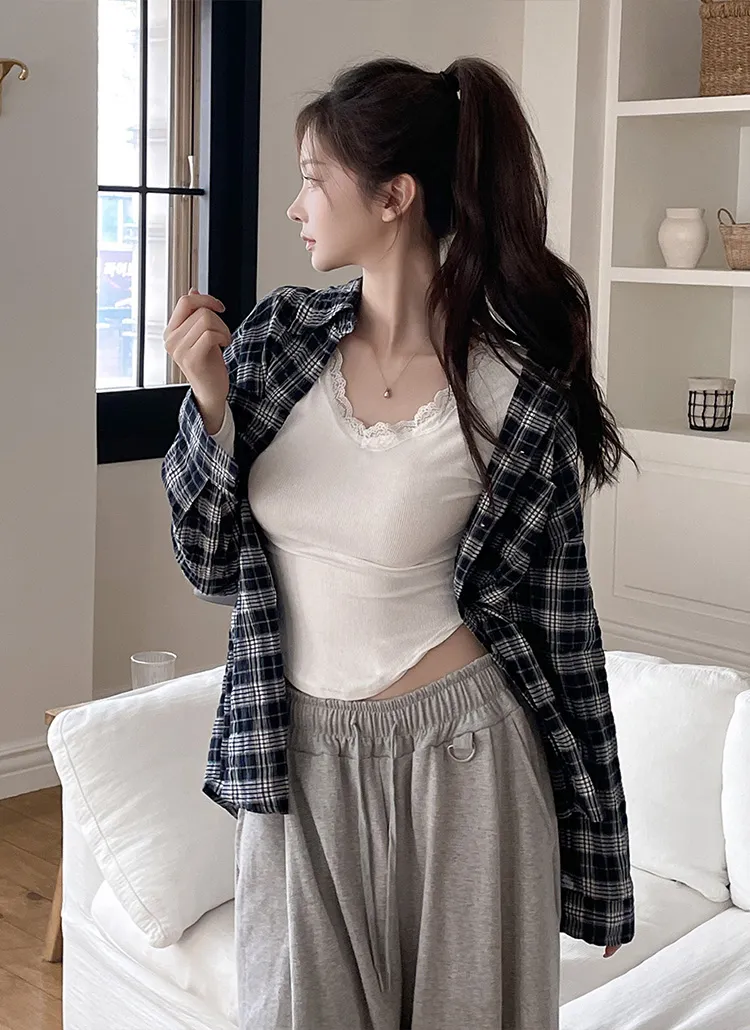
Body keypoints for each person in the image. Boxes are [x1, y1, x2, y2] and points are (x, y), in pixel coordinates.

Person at [162, 55, 638, 1030]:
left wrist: (601, 863)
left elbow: (564, 625)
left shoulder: (513, 389)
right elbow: (208, 560)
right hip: (295, 757)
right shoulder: (278, 343)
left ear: (395, 196)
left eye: (313, 178)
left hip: (465, 762)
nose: (295, 206)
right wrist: (207, 405)